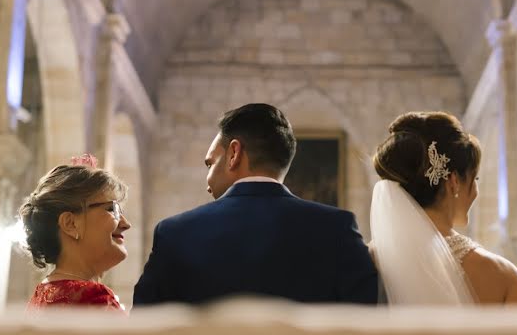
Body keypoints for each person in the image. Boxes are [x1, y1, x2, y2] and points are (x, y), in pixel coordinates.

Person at [133, 103, 378, 306]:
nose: (207, 179)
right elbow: (368, 319)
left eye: (210, 163)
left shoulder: (174, 233)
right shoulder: (337, 228)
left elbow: (142, 326)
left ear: (234, 153)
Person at [371, 111, 517, 305]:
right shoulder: (500, 275)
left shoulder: (364, 262)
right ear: (454, 182)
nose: (475, 190)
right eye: (475, 179)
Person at [19, 154, 132, 311]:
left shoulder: (41, 296)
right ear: (70, 224)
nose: (126, 224)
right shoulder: (93, 299)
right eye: (112, 209)